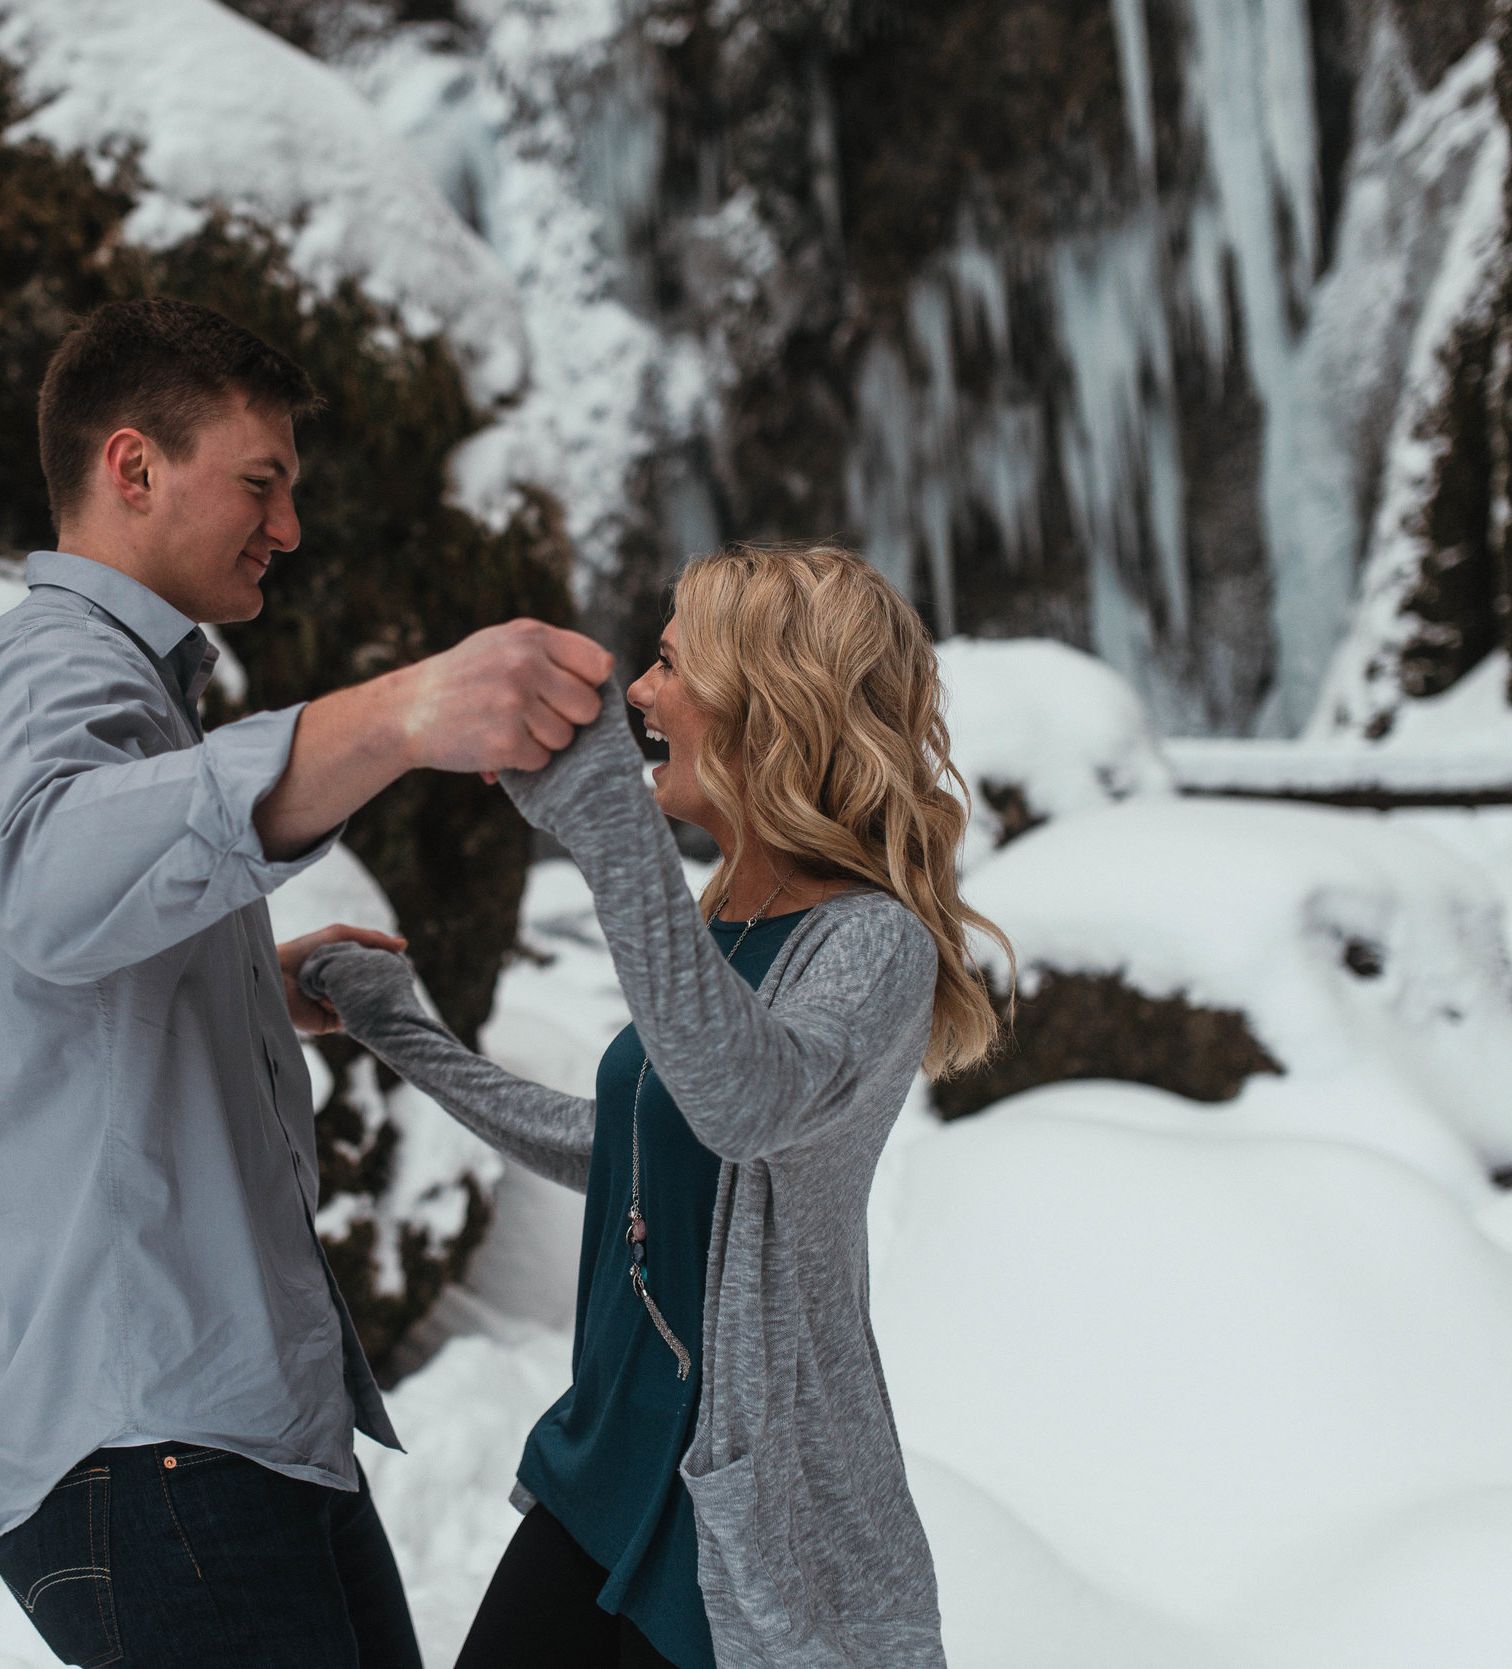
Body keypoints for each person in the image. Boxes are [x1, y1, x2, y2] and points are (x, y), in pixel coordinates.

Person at [0, 297, 613, 1669]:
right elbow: (55, 883)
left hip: (227, 1437)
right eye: (261, 480)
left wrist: (242, 979)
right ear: (132, 468)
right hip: (160, 1446)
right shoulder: (51, 661)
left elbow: (90, 929)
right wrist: (401, 713)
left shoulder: (115, 680)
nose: (288, 527)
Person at [302, 542, 1011, 1669]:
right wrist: (402, 1028)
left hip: (746, 1509)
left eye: (672, 662)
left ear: (767, 704)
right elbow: (628, 1146)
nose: (637, 692)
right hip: (607, 1464)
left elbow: (744, 1104)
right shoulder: (723, 920)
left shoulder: (869, 944)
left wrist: (603, 821)